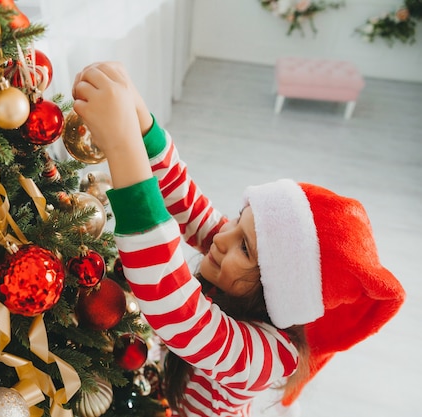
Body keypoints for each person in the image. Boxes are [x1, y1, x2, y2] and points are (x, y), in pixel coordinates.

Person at [71, 62, 405, 417]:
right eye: (238, 221)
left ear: (277, 289)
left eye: (244, 245)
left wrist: (123, 146)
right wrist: (141, 123)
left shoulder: (271, 357)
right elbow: (187, 202)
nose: (222, 236)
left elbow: (177, 311)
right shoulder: (243, 266)